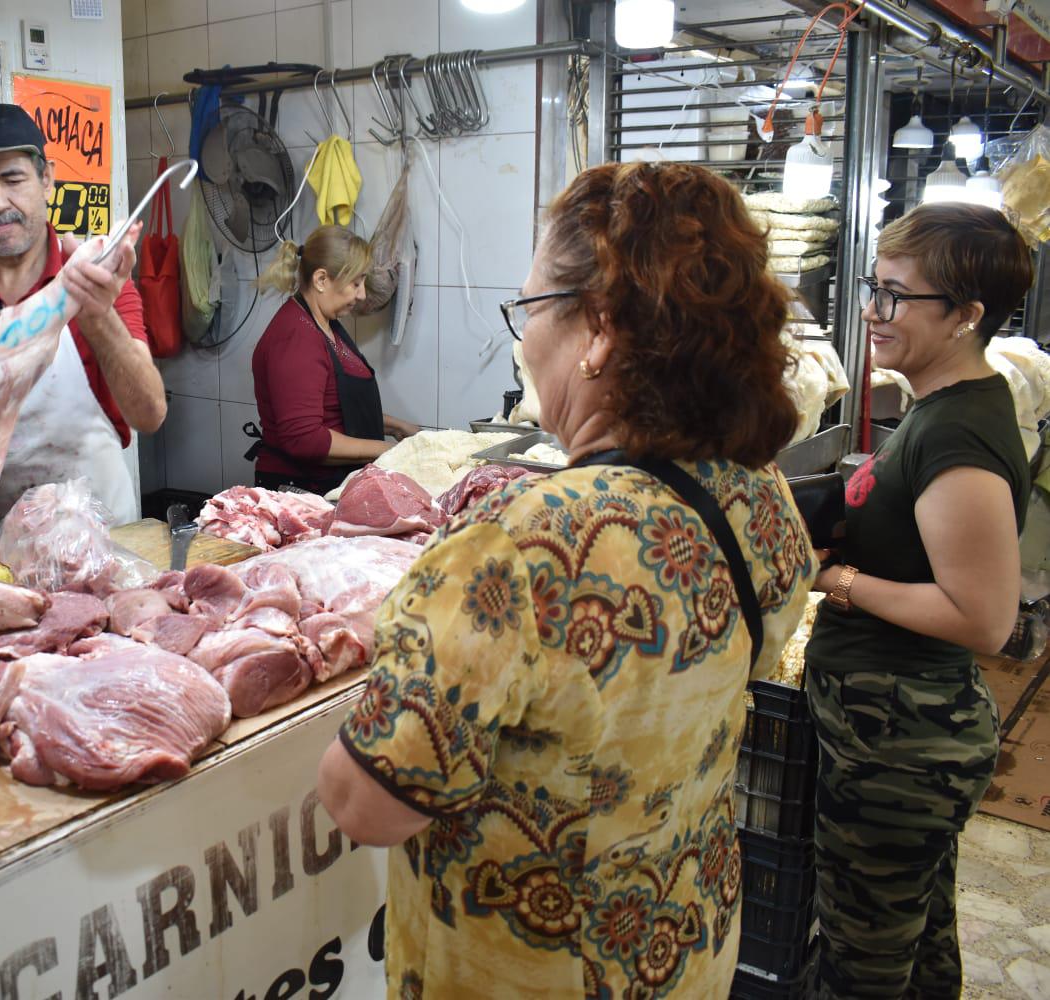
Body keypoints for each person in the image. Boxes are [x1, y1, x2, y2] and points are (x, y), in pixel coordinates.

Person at [315, 162, 817, 997]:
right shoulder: (756, 491)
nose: (524, 339)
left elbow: (365, 804)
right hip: (680, 945)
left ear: (599, 334)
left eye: (532, 308)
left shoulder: (519, 554)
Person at [804, 204, 1032, 999]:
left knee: (861, 962)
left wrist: (841, 583)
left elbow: (983, 618)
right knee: (917, 941)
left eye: (898, 295)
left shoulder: (958, 433)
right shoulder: (936, 406)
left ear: (967, 316)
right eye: (875, 287)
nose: (874, 310)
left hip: (905, 745)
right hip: (893, 733)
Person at [0, 103, 165, 529]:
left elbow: (150, 414)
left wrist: (96, 315)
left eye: (12, 180)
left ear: (46, 179)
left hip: (103, 546)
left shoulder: (98, 279)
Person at [248, 226, 420, 494]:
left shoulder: (325, 323)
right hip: (302, 491)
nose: (362, 294)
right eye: (356, 283)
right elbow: (304, 438)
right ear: (321, 280)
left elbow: (336, 408)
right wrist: (388, 451)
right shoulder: (297, 337)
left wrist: (396, 426)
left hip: (331, 483)